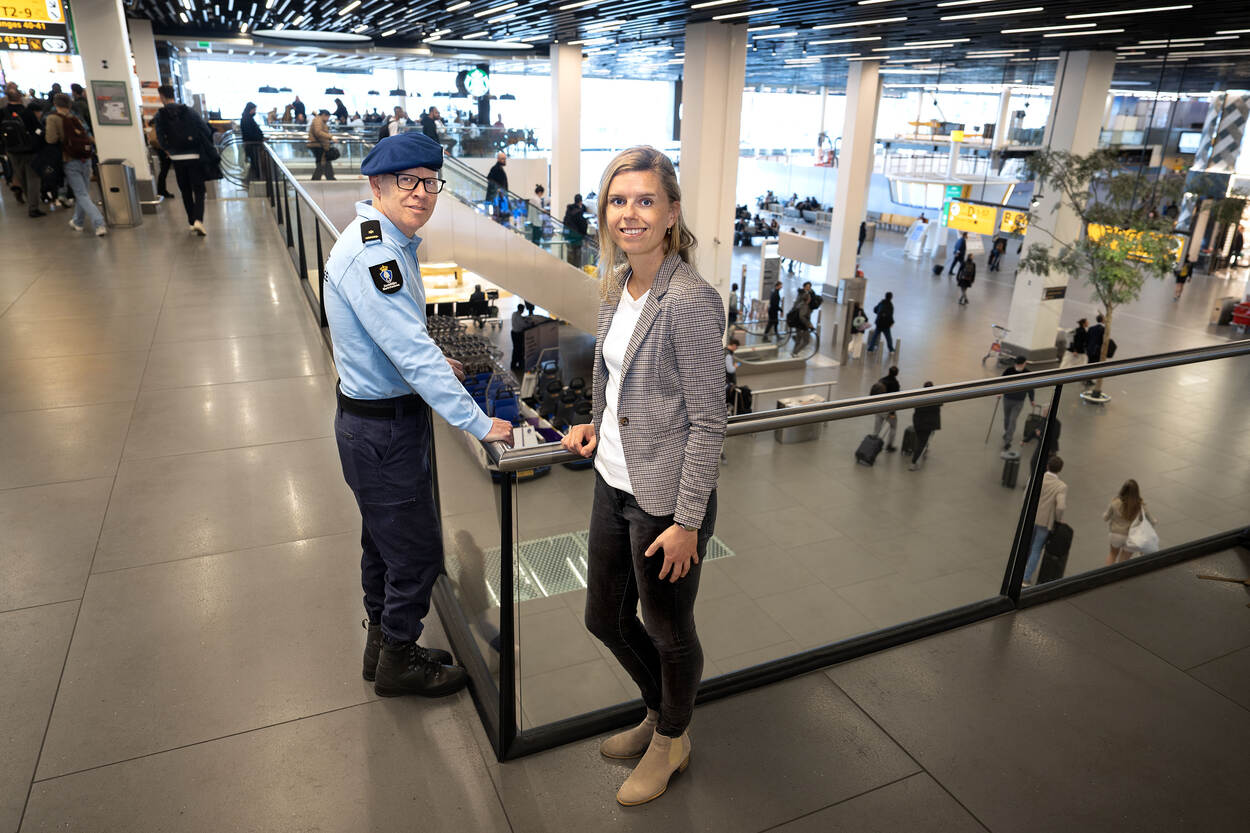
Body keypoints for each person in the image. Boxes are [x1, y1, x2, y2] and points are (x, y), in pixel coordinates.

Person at [561, 146, 725, 808]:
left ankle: (671, 738)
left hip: (664, 503)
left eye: (645, 200)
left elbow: (708, 422)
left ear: (672, 212)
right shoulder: (618, 283)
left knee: (668, 631)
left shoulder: (690, 300)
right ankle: (660, 712)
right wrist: (595, 421)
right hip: (612, 481)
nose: (629, 213)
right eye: (618, 200)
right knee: (603, 617)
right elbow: (614, 374)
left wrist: (687, 523)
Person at [323, 132, 515, 699]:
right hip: (384, 429)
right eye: (408, 181)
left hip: (374, 420)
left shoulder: (386, 240)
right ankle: (399, 660)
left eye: (431, 182)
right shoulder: (377, 255)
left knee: (382, 543)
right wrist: (479, 423)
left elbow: (397, 338)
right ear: (377, 185)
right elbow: (407, 351)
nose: (422, 193)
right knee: (416, 552)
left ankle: (381, 645)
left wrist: (434, 357)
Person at [153, 84, 212, 236]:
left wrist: (168, 149)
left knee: (185, 190)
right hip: (194, 155)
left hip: (177, 158)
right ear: (174, 94)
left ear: (162, 96)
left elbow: (160, 136)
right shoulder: (189, 111)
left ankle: (191, 221)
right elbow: (205, 130)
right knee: (199, 189)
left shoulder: (160, 115)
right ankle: (198, 220)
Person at [44, 93, 107, 237]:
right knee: (83, 193)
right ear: (70, 104)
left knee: (81, 194)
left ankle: (99, 223)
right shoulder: (76, 117)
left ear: (55, 104)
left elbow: (50, 139)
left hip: (70, 160)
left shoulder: (52, 118)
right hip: (85, 158)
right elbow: (88, 135)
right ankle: (78, 221)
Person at [2, 85, 46, 217]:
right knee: (33, 178)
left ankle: (29, 201)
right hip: (29, 150)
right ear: (20, 97)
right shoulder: (27, 112)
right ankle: (33, 207)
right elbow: (38, 129)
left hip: (12, 150)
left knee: (21, 177)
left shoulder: (2, 112)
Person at [1023, 455, 1067, 584]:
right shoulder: (1061, 486)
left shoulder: (1035, 477)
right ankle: (1026, 578)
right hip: (1045, 522)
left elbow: (1026, 495)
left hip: (1031, 517)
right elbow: (1061, 506)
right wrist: (1058, 520)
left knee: (1026, 544)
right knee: (1036, 549)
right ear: (1060, 470)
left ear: (1047, 466)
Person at [1103, 479, 1156, 565]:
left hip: (1116, 535)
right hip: (1131, 537)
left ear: (1123, 489)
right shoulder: (1140, 505)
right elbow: (1152, 521)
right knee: (1123, 561)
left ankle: (1107, 573)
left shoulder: (1115, 502)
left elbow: (1105, 517)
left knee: (1112, 555)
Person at [999, 355, 1034, 452]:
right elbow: (1001, 381)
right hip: (1007, 399)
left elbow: (1031, 387)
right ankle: (1007, 432)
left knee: (1012, 420)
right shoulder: (1009, 371)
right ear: (1022, 364)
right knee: (1007, 419)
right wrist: (999, 392)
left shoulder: (1027, 373)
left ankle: (1008, 440)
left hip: (1019, 401)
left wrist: (1032, 399)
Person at [909, 381, 940, 470]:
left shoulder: (919, 397)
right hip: (927, 425)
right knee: (921, 443)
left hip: (918, 423)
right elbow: (940, 404)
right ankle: (913, 463)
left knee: (921, 440)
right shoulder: (935, 399)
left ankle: (924, 450)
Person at [870, 371, 898, 453]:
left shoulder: (881, 380)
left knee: (877, 428)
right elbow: (894, 399)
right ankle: (889, 445)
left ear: (889, 372)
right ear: (897, 374)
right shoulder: (895, 384)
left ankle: (871, 445)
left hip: (878, 408)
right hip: (888, 409)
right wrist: (892, 413)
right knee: (893, 426)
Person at [240, 101, 265, 184]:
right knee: (254, 162)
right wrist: (260, 138)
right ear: (250, 109)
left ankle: (253, 179)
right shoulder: (247, 119)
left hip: (251, 144)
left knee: (254, 162)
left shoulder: (246, 118)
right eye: (254, 110)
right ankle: (255, 179)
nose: (255, 111)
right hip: (252, 145)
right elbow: (249, 134)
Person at [307, 109, 336, 181]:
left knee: (324, 161)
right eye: (328, 117)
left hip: (320, 144)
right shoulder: (318, 121)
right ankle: (320, 178)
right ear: (323, 115)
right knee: (322, 162)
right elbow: (318, 132)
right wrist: (330, 137)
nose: (328, 119)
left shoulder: (319, 120)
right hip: (317, 145)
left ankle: (328, 177)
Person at [563, 193, 589, 268]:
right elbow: (583, 226)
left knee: (570, 254)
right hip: (577, 238)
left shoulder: (569, 209)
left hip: (568, 236)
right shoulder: (579, 212)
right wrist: (585, 236)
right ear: (580, 201)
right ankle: (576, 270)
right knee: (577, 256)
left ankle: (570, 269)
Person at [790, 281, 814, 355]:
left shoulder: (806, 295)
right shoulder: (803, 301)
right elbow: (802, 316)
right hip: (802, 322)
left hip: (799, 321)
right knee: (806, 341)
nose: (808, 288)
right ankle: (795, 352)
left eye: (809, 287)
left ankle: (794, 352)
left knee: (799, 339)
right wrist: (809, 324)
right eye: (807, 287)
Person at [510, 302, 529, 373]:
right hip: (518, 334)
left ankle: (514, 364)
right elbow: (523, 325)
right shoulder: (518, 317)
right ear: (522, 309)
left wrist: (522, 318)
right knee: (519, 350)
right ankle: (519, 365)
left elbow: (519, 320)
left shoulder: (514, 314)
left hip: (513, 333)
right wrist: (529, 323)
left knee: (516, 349)